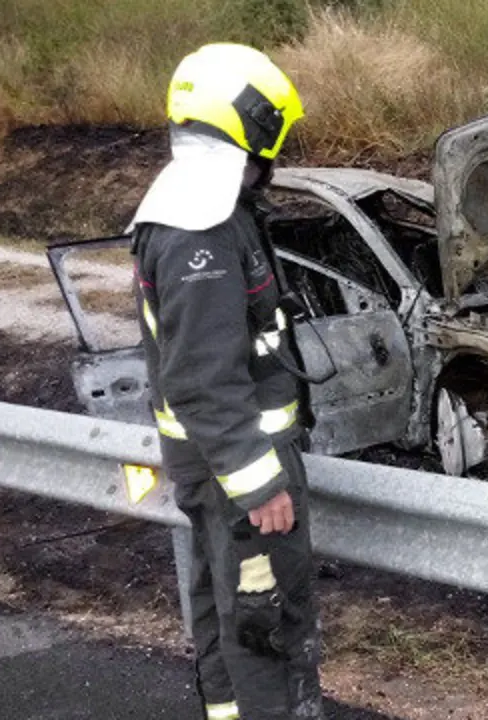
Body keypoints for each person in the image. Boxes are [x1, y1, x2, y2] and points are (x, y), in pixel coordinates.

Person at [128, 42, 321, 720]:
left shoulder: (194, 207)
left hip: (219, 473)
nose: (278, 149)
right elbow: (203, 379)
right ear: (249, 123)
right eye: (276, 131)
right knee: (269, 630)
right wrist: (259, 482)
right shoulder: (201, 228)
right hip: (240, 479)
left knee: (229, 621)